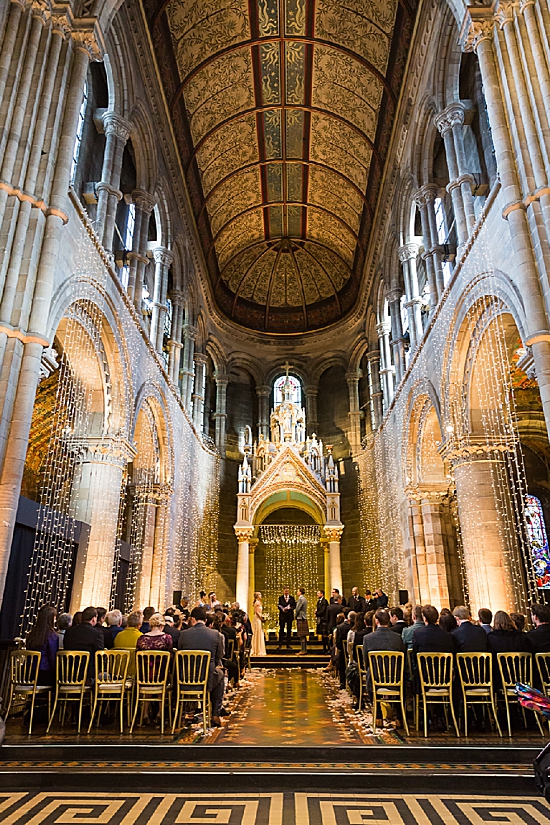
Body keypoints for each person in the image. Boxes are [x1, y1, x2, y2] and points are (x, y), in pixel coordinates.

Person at [178, 606, 227, 727]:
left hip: (185, 678)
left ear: (192, 619)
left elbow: (180, 653)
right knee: (221, 674)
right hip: (207, 679)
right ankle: (215, 713)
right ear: (205, 621)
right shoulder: (216, 634)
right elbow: (219, 657)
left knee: (216, 673)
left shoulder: (183, 634)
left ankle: (188, 711)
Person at [63, 606, 105, 676]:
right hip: (88, 674)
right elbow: (99, 654)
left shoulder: (69, 631)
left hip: (68, 673)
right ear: (94, 619)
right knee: (109, 676)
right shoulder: (97, 633)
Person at [26, 605, 59, 685]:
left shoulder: (32, 634)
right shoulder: (51, 635)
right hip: (44, 673)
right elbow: (52, 657)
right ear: (51, 619)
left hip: (29, 673)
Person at [114, 611, 143, 676]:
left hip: (119, 670)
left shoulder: (119, 635)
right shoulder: (141, 637)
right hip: (134, 671)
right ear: (139, 624)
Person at [251, 592, 266, 656]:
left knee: (259, 633)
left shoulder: (259, 602)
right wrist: (261, 618)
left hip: (259, 618)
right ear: (257, 596)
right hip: (257, 619)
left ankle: (258, 649)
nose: (261, 595)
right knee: (257, 632)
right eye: (259, 594)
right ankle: (256, 649)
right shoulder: (257, 602)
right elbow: (256, 612)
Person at [295, 587, 309, 655]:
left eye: (298, 591)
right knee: (303, 635)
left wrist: (295, 616)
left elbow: (298, 609)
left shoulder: (300, 599)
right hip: (304, 617)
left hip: (301, 617)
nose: (297, 592)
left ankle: (303, 650)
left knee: (302, 635)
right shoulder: (305, 599)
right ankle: (304, 649)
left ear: (300, 592)